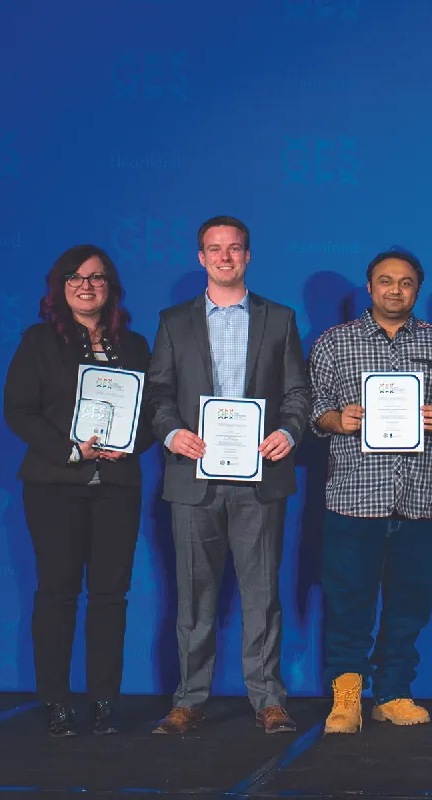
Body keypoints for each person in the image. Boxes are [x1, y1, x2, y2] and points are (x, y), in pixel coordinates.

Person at [146, 216, 311, 735]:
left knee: (262, 594)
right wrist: (173, 434)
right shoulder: (174, 321)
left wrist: (288, 431)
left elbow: (298, 395)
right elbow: (158, 395)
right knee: (194, 596)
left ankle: (268, 699)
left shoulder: (278, 319)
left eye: (234, 249)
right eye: (214, 249)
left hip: (260, 476)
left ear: (248, 256)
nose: (224, 257)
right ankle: (189, 698)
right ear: (201, 257)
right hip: (194, 477)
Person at [310, 250, 432, 734]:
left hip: (420, 498)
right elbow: (313, 406)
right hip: (355, 497)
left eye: (405, 283)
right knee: (348, 602)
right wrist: (338, 419)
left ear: (416, 290)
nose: (395, 290)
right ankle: (347, 698)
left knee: (410, 603)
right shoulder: (333, 345)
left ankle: (395, 692)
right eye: (385, 281)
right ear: (370, 286)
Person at [3, 245, 153, 736]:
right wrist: (72, 450)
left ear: (111, 288)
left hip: (117, 485)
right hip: (55, 487)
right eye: (75, 277)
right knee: (58, 595)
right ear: (59, 287)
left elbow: (152, 415)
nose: (86, 285)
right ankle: (56, 701)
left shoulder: (134, 345)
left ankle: (104, 701)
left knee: (111, 596)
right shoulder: (39, 340)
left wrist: (128, 446)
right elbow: (19, 411)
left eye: (97, 277)